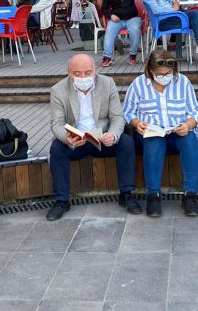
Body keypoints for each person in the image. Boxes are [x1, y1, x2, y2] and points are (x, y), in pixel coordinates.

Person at [46, 54, 140, 220]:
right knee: (56, 148)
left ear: (95, 70)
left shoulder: (107, 83)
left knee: (126, 142)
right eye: (77, 74)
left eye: (88, 72)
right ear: (69, 73)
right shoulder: (58, 90)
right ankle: (61, 201)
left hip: (102, 139)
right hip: (76, 141)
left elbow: (117, 117)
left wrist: (113, 134)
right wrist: (67, 138)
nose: (83, 77)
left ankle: (126, 194)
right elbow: (56, 124)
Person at [123, 49, 198, 217]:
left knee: (190, 141)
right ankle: (153, 195)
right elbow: (128, 111)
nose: (165, 76)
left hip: (177, 131)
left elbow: (195, 111)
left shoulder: (183, 82)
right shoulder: (138, 84)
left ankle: (190, 194)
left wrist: (188, 125)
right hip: (150, 133)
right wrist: (137, 124)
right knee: (154, 142)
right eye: (160, 74)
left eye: (169, 73)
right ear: (150, 71)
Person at [101, 0, 145, 67]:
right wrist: (111, 15)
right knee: (109, 31)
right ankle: (107, 57)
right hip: (117, 19)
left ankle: (133, 54)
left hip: (132, 18)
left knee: (135, 30)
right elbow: (104, 9)